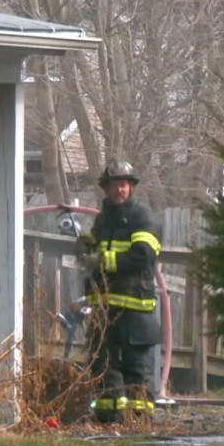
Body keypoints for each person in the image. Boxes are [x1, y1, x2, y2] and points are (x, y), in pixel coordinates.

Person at [80, 159, 163, 423]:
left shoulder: (141, 217)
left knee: (136, 367)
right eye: (115, 185)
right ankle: (107, 415)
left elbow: (143, 256)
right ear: (106, 189)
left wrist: (104, 261)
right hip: (105, 308)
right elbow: (90, 252)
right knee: (104, 366)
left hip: (135, 307)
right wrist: (84, 249)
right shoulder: (103, 221)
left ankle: (139, 420)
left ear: (131, 187)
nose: (120, 190)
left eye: (124, 185)